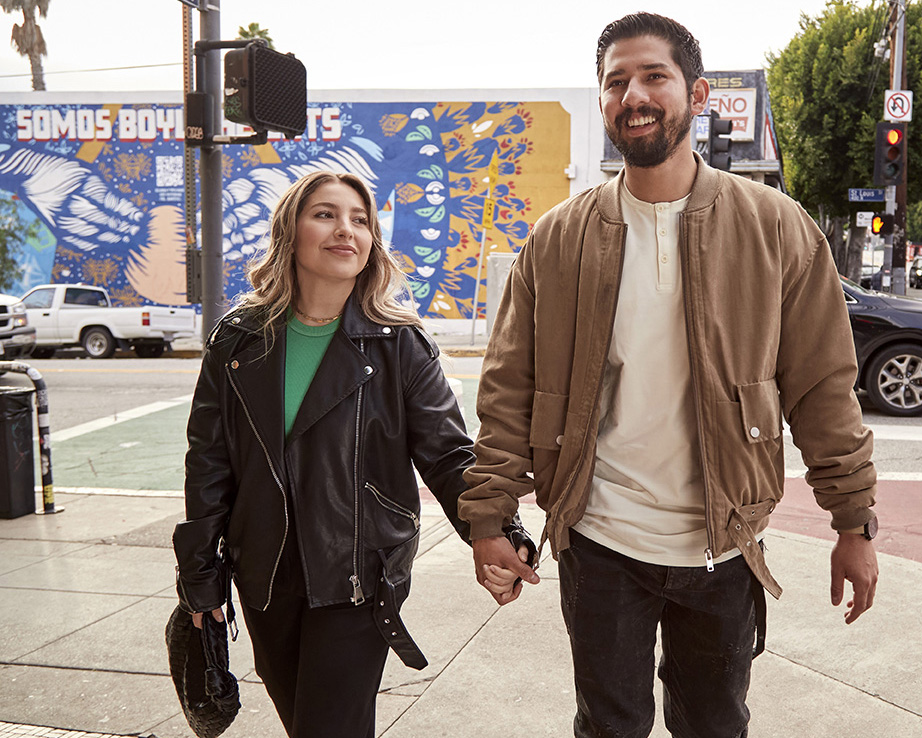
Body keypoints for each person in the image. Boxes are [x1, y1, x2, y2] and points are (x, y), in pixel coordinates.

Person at [459, 12, 879, 738]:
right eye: (615, 82)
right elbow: (507, 391)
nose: (634, 95)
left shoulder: (775, 227)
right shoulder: (559, 238)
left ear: (698, 93)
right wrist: (490, 516)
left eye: (654, 76)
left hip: (723, 543)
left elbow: (822, 388)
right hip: (600, 541)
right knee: (608, 726)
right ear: (601, 102)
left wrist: (854, 522)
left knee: (716, 726)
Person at [173, 170, 515, 737]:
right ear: (292, 230)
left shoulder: (400, 343)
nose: (346, 230)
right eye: (326, 214)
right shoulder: (238, 339)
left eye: (360, 220)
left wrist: (493, 528)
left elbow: (448, 455)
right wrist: (200, 575)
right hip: (263, 575)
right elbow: (208, 463)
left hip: (358, 575)